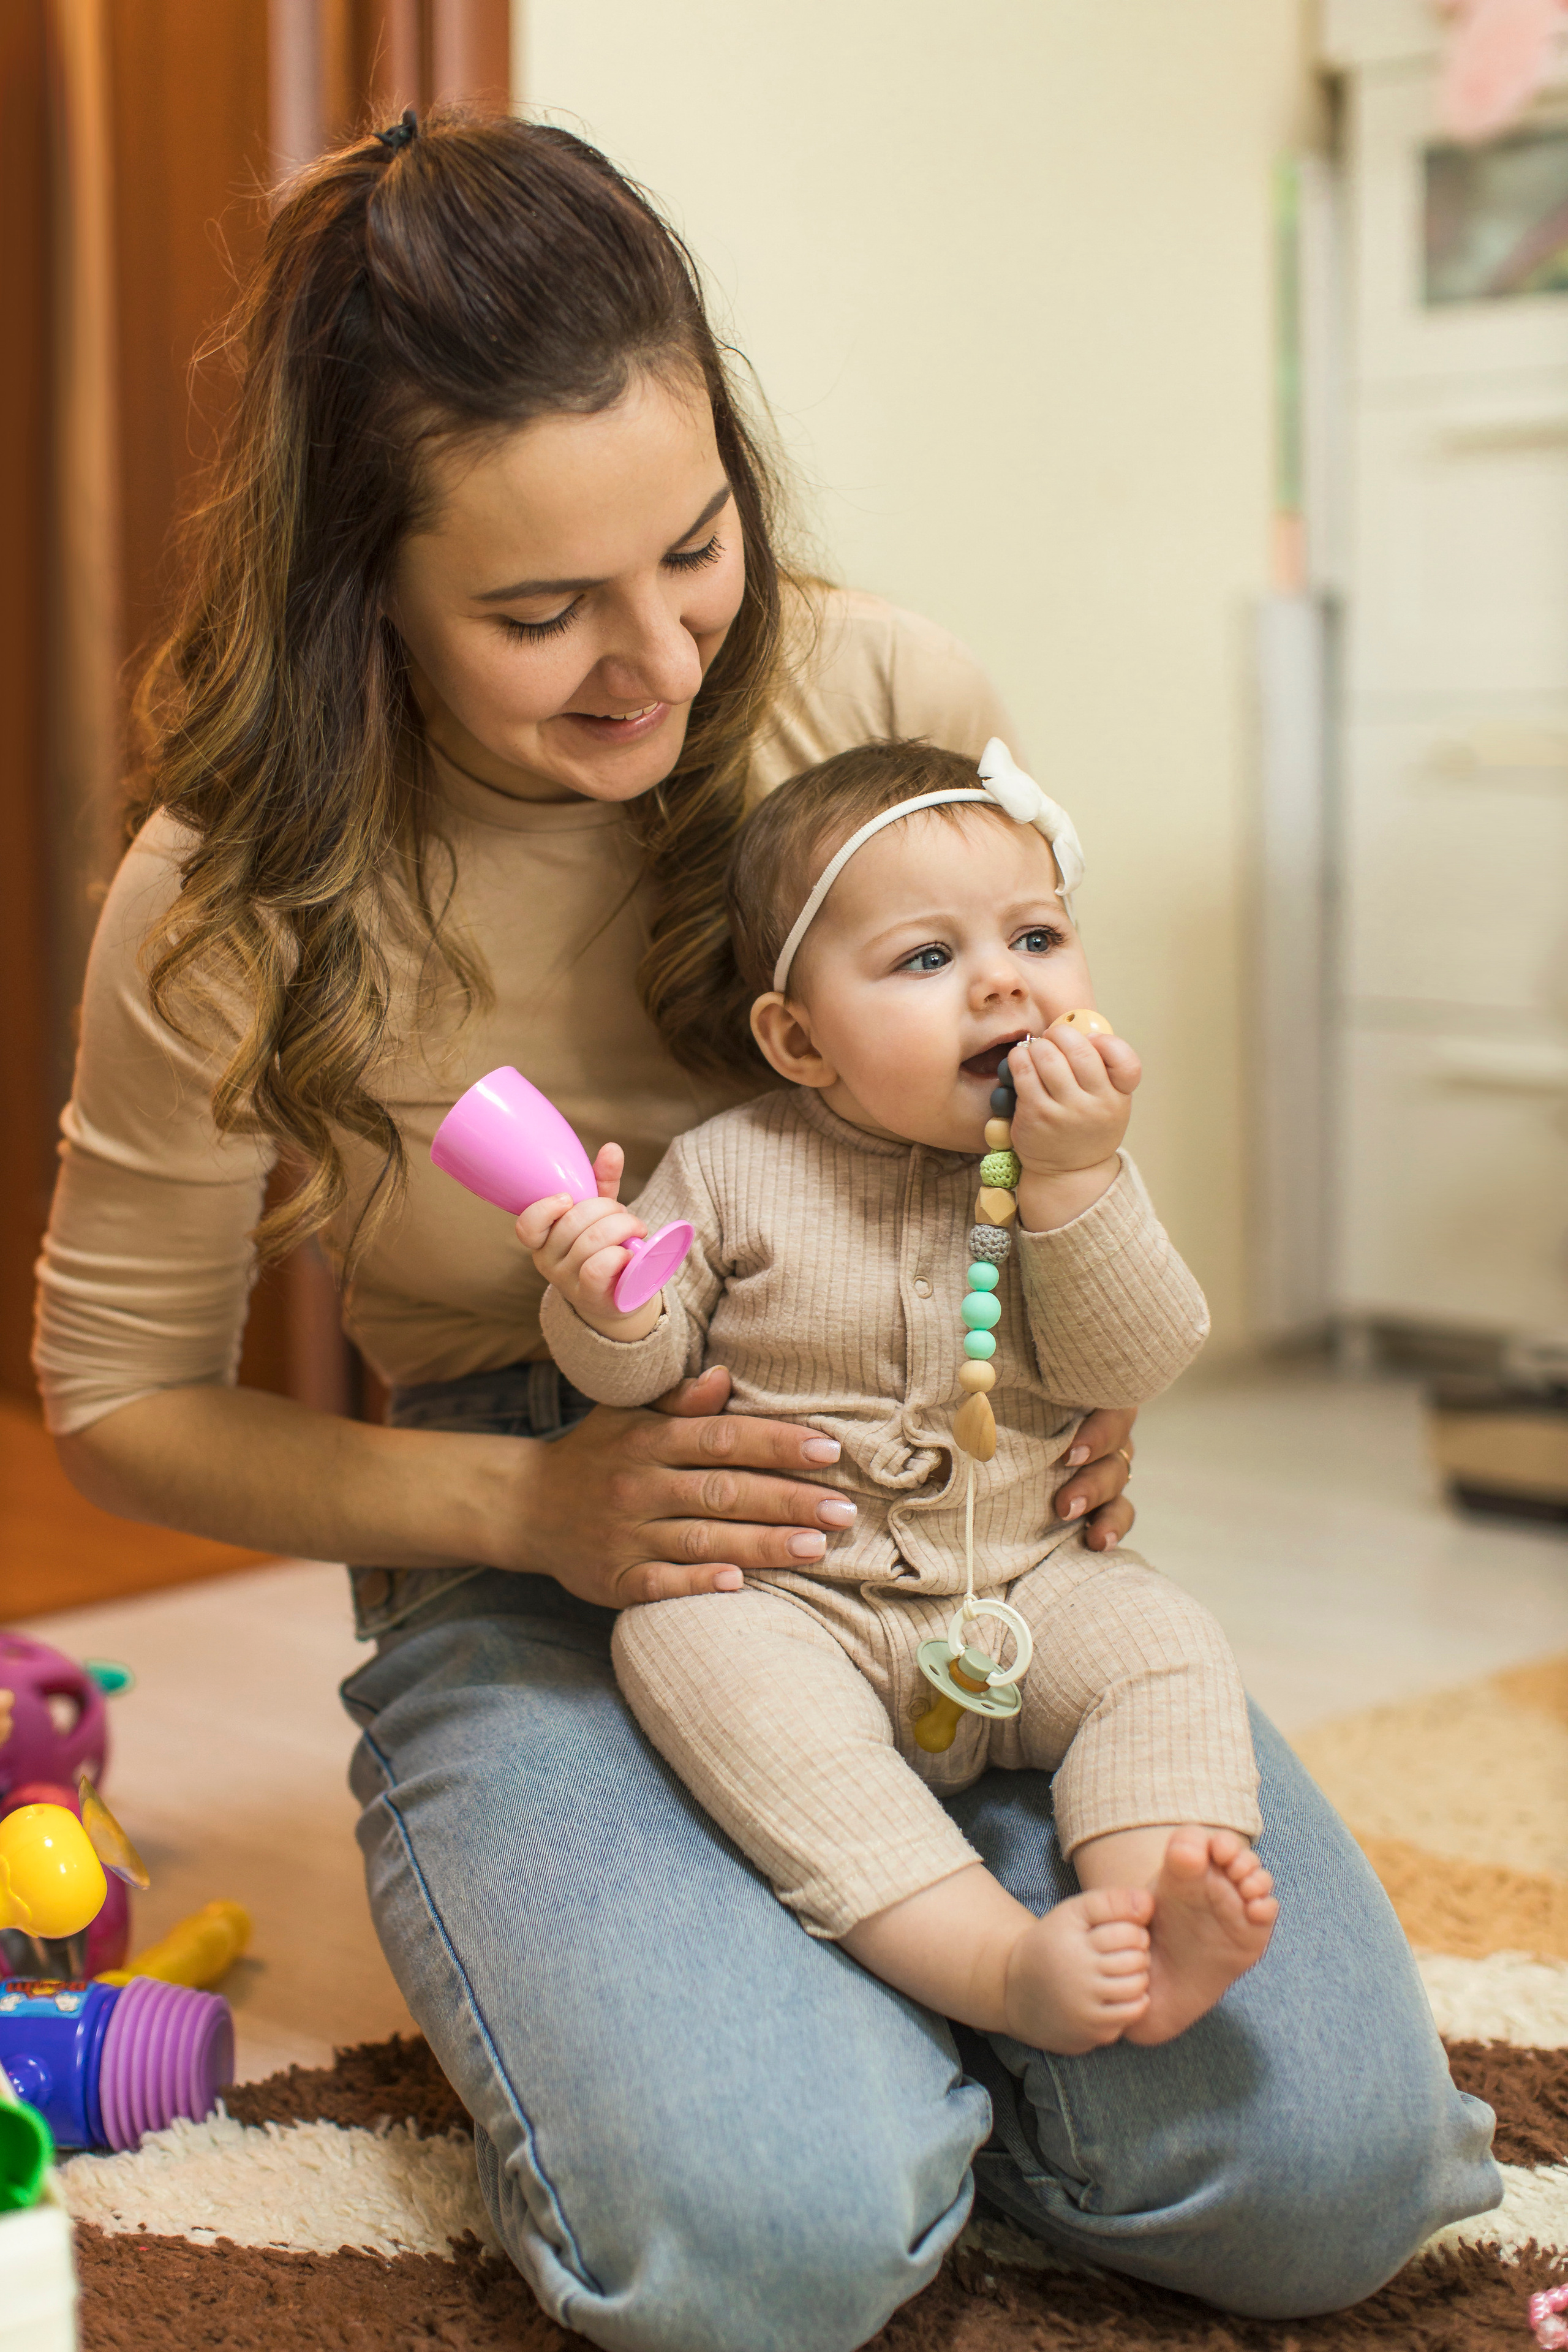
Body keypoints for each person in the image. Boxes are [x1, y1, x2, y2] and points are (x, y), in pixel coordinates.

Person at [31, 108, 1496, 2352]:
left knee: (1331, 2191)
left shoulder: (890, 700)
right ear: (366, 589)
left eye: (695, 551)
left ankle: (937, 2007)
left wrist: (1066, 1360)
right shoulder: (229, 902)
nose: (659, 662)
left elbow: (1025, 1103)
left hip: (962, 1498)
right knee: (765, 2250)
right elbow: (114, 1395)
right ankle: (858, 2057)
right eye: (539, 615)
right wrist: (535, 1496)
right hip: (541, 1520)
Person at [526, 739, 1278, 2058]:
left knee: (1164, 1646)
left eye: (1036, 937)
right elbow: (637, 1376)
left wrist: (1072, 1183)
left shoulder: (1073, 1166)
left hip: (1031, 1580)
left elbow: (1131, 1366)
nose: (1002, 980)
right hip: (794, 1594)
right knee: (685, 1650)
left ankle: (1149, 1913)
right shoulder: (728, 1166)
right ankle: (995, 1963)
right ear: (797, 1038)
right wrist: (600, 1298)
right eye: (925, 960)